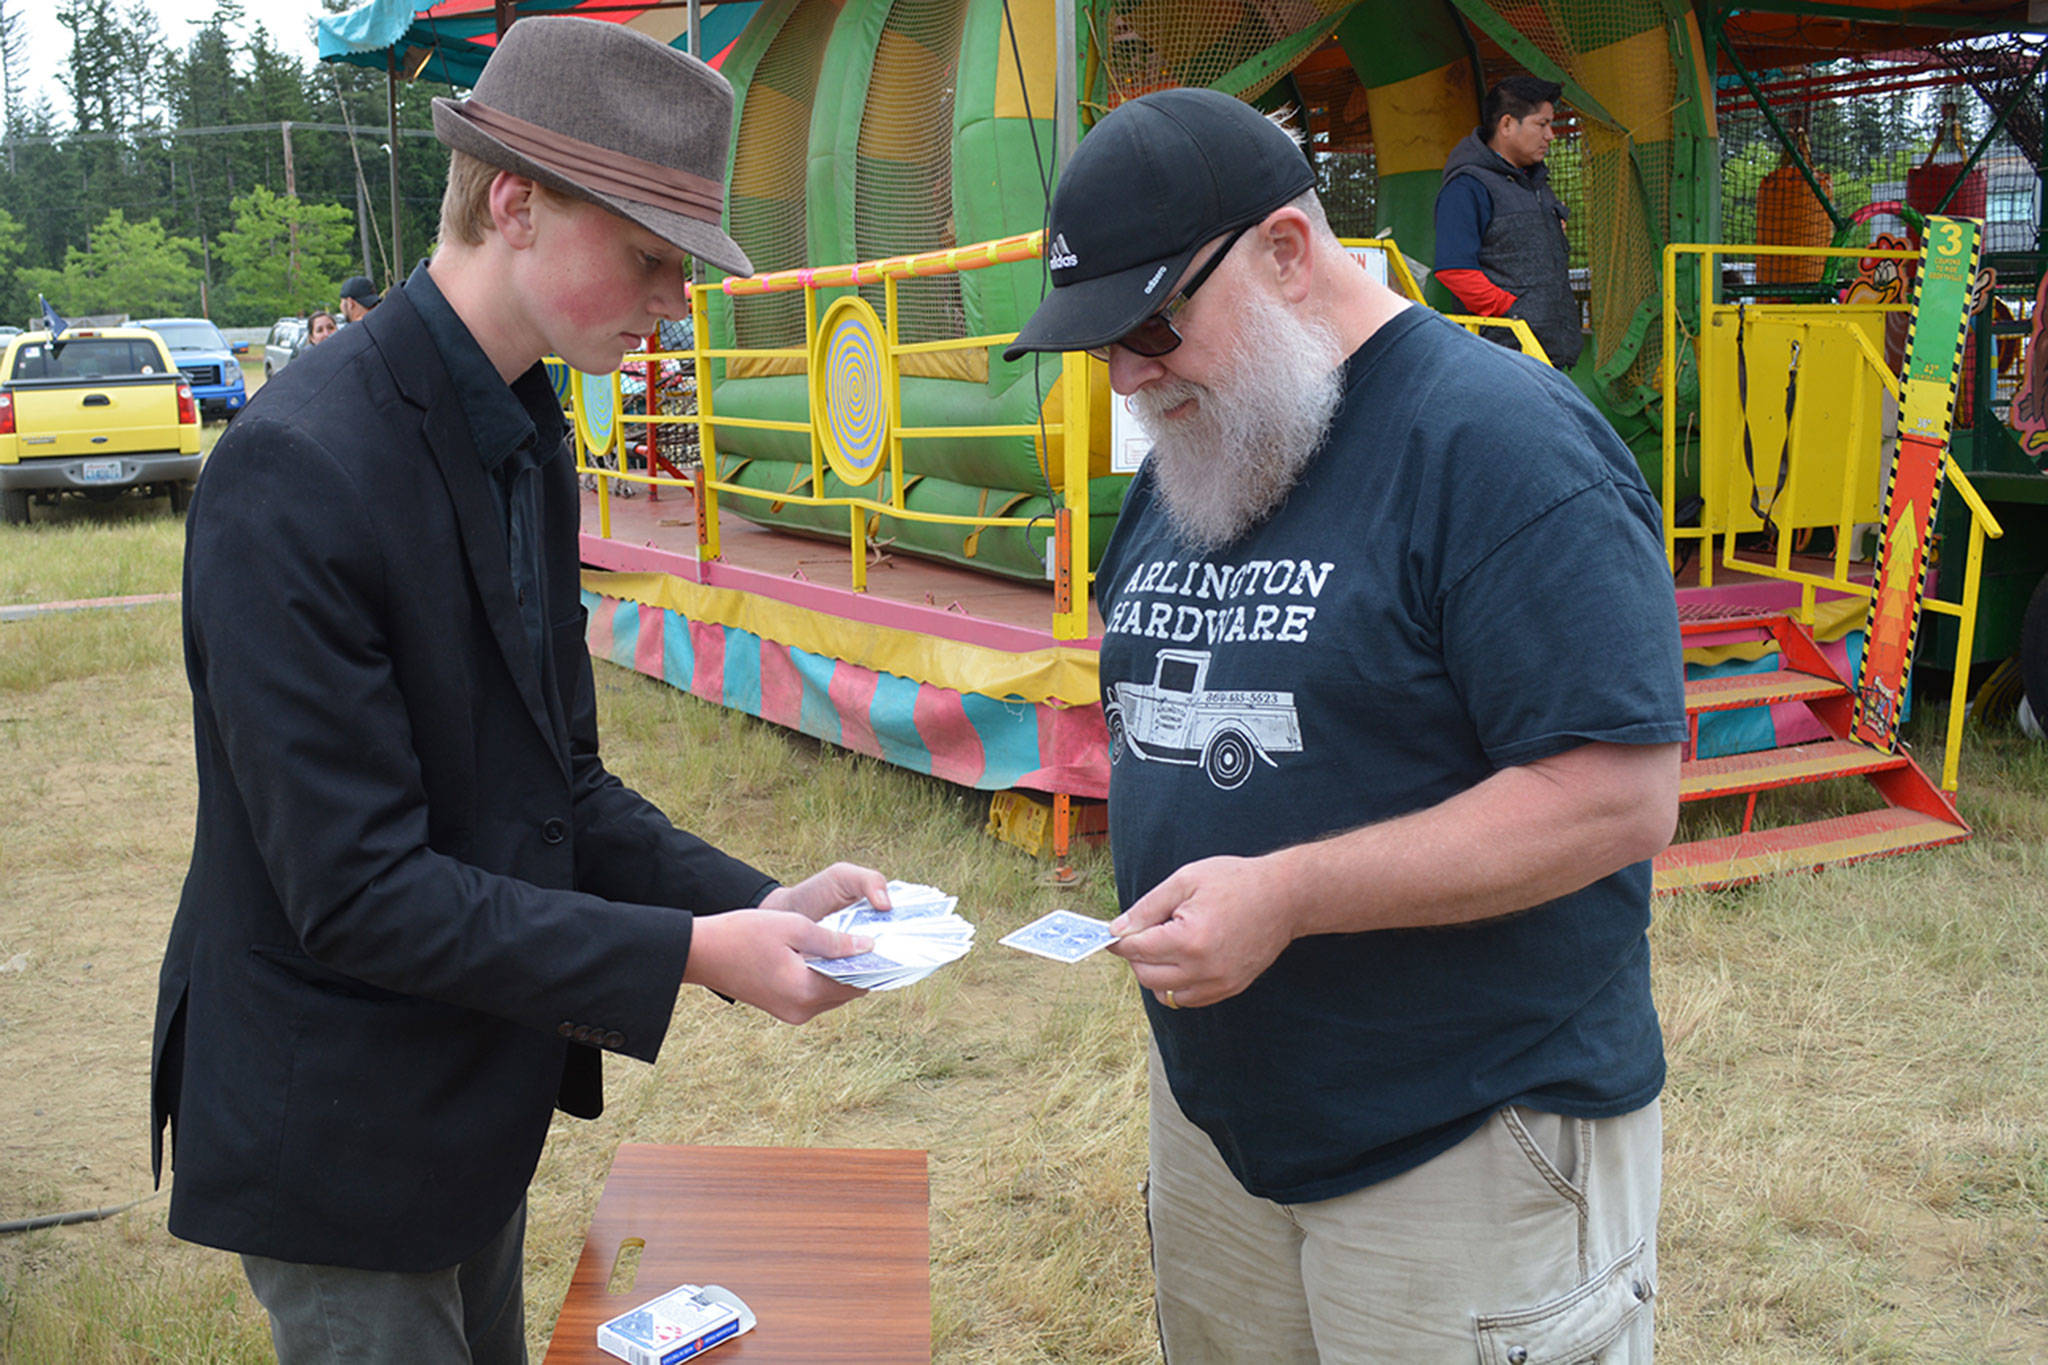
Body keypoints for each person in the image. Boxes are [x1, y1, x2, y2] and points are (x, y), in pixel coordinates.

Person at [151, 19, 887, 1363]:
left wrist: (749, 902)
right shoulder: (294, 470)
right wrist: (687, 955)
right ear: (515, 200)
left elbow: (561, 790)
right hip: (335, 1124)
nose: (674, 298)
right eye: (651, 256)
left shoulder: (524, 436)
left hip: (466, 1097)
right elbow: (357, 891)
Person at [1004, 87, 1683, 1361]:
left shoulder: (1501, 445)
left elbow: (1613, 793)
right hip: (1222, 1122)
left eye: (1150, 321)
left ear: (1283, 249)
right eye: (1099, 342)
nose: (1128, 374)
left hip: (1467, 1132)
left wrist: (1289, 894)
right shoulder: (1199, 450)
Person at [1434, 75, 1583, 370]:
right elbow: (1455, 270)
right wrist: (1514, 313)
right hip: (1503, 359)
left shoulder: (1537, 183)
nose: (1551, 135)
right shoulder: (1467, 186)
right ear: (1506, 125)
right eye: (1542, 124)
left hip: (1547, 354)